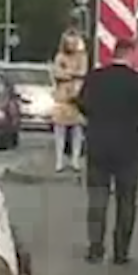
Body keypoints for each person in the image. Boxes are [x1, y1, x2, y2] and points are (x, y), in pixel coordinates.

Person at [75, 38, 138, 264]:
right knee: (126, 201)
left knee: (97, 198)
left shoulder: (95, 78)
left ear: (114, 53)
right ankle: (121, 252)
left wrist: (97, 119)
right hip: (128, 146)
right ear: (130, 53)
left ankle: (95, 248)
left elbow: (82, 103)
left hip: (98, 143)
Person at [50, 31, 89, 172]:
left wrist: (67, 72)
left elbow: (83, 72)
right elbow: (57, 73)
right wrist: (72, 73)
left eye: (73, 43)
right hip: (62, 98)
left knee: (77, 130)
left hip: (77, 98)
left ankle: (75, 161)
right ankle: (59, 161)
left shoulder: (82, 57)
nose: (71, 46)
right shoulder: (59, 57)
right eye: (68, 43)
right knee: (59, 129)